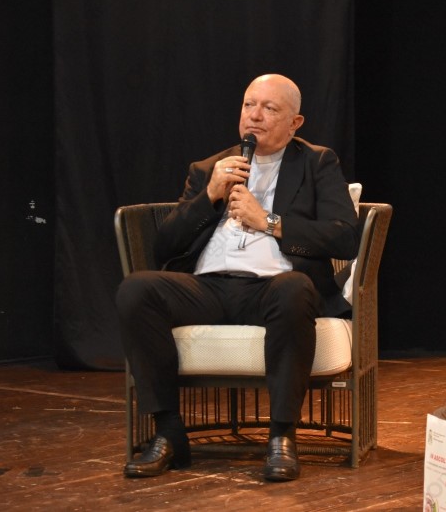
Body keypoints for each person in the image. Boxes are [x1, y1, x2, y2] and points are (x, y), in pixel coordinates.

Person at [116, 74, 360, 482]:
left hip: (274, 288)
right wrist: (208, 196)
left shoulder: (317, 163)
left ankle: (281, 436)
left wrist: (269, 222)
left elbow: (345, 236)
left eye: (269, 108)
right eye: (249, 105)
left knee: (295, 289)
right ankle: (168, 433)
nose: (255, 116)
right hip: (208, 288)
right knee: (137, 289)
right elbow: (165, 248)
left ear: (295, 123)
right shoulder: (209, 168)